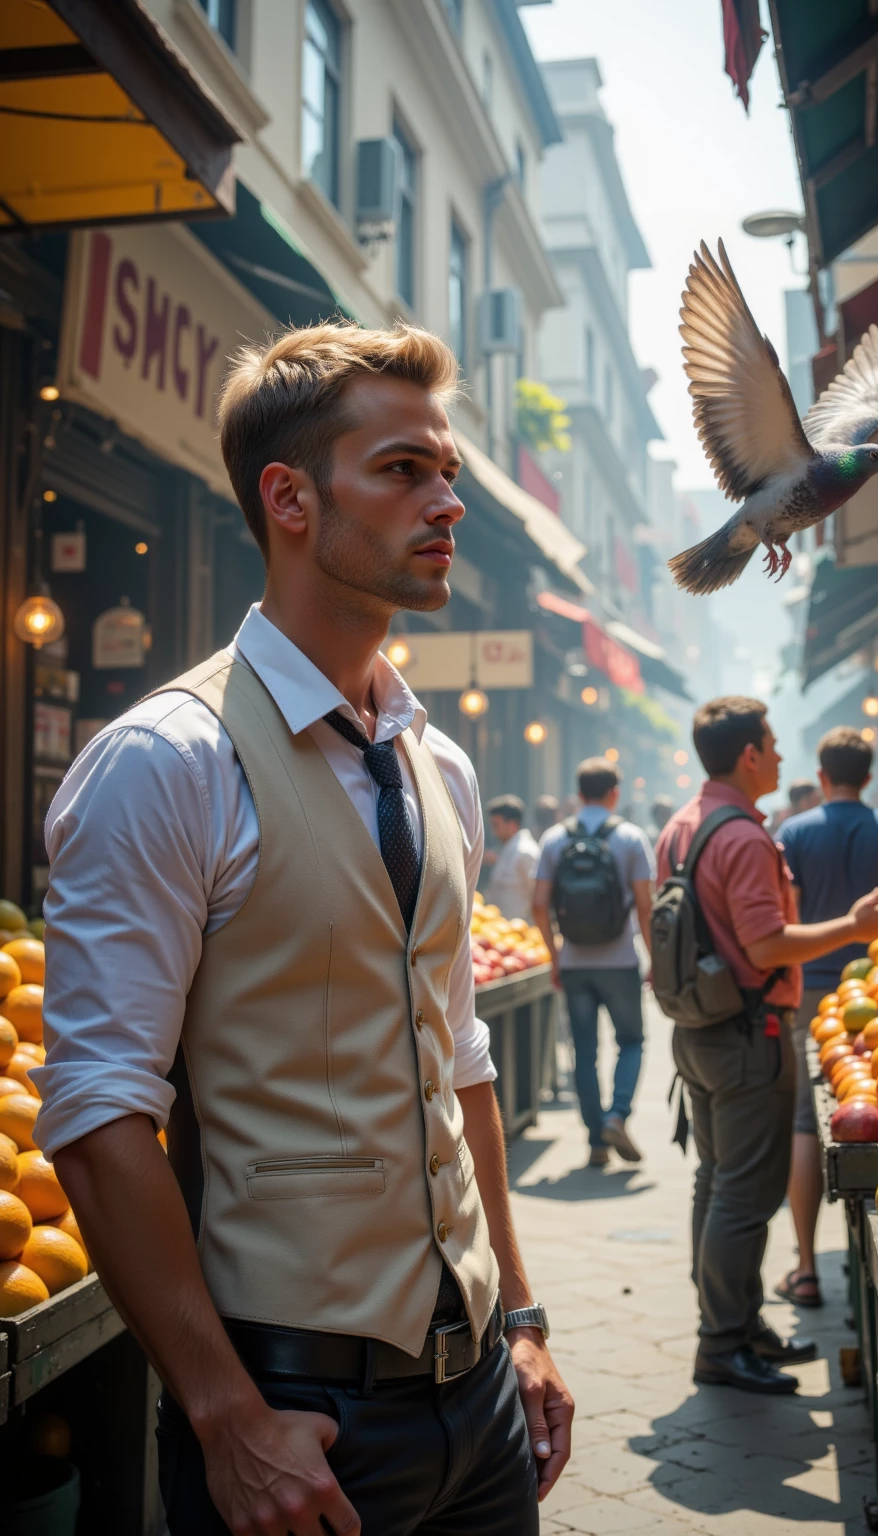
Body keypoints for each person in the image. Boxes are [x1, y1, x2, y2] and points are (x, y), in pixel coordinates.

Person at [37, 321, 572, 1536]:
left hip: (480, 1396)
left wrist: (523, 1322)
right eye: (401, 470)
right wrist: (227, 1419)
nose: (446, 502)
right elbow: (97, 1110)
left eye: (447, 471)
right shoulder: (165, 762)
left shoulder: (437, 761)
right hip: (299, 1417)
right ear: (288, 497)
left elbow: (463, 1060)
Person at [655, 698, 878, 1394]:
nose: (784, 755)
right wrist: (852, 926)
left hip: (699, 1029)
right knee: (744, 1192)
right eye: (773, 742)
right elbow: (764, 944)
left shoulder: (682, 824)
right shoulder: (744, 837)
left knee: (716, 1180)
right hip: (748, 1033)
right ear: (749, 755)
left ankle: (734, 1323)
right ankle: (724, 1341)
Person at [776, 727, 878, 1309]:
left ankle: (807, 1268)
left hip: (810, 994)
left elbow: (786, 920)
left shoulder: (792, 832)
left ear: (821, 775)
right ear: (868, 774)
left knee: (805, 1125)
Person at [532, 759, 655, 1169]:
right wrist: (654, 958)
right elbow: (644, 905)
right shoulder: (631, 838)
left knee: (583, 1053)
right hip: (620, 962)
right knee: (632, 1041)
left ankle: (595, 1140)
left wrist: (555, 955)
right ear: (614, 793)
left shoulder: (553, 839)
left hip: (574, 963)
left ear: (579, 792)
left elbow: (538, 904)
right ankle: (617, 1115)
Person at [484, 795, 539, 921]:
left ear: (512, 824)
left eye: (496, 825)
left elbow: (539, 898)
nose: (493, 832)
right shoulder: (509, 850)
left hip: (524, 934)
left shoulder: (526, 852)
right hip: (503, 932)